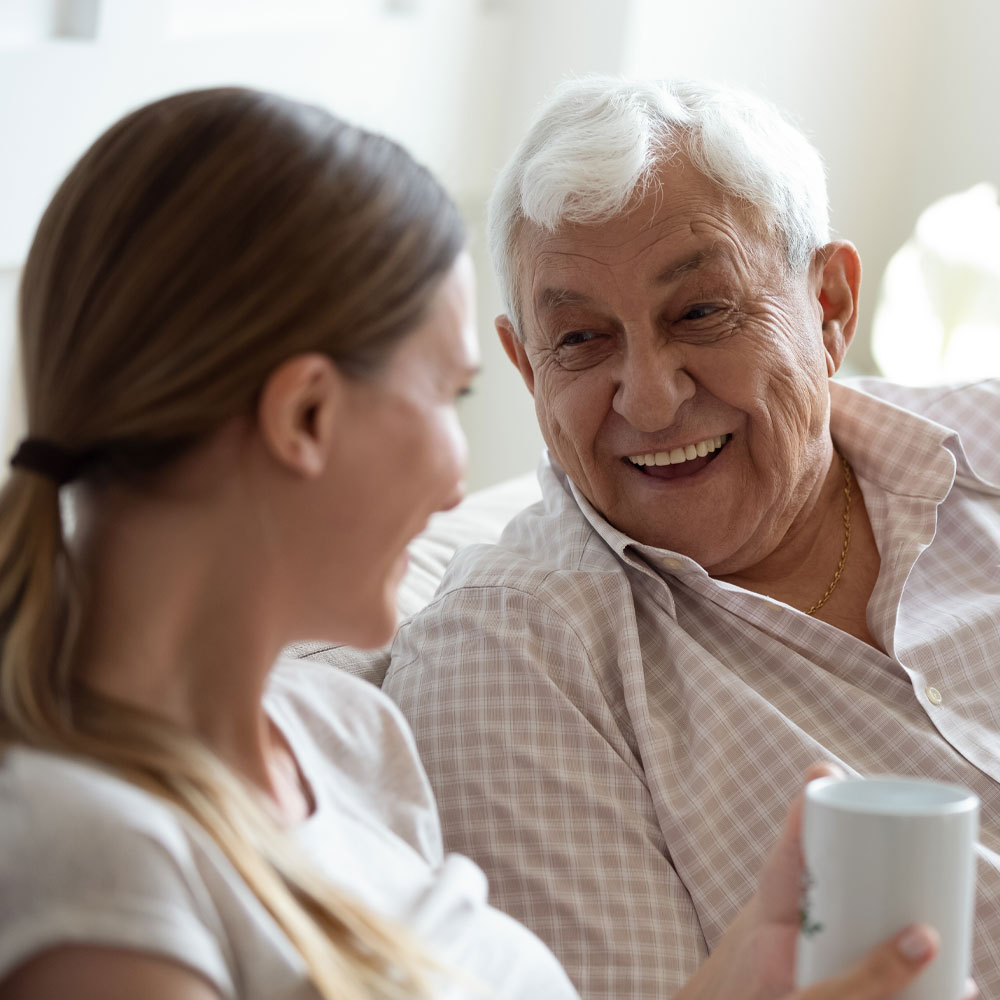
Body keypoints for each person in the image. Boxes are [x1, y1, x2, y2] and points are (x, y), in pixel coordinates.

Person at [0, 86, 943, 1000]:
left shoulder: (341, 740)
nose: (462, 482)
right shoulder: (96, 859)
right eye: (452, 395)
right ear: (307, 417)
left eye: (699, 313)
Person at [381, 75, 1000, 999]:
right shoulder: (512, 657)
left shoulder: (980, 448)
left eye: (701, 313)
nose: (651, 396)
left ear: (830, 305)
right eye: (583, 340)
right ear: (524, 366)